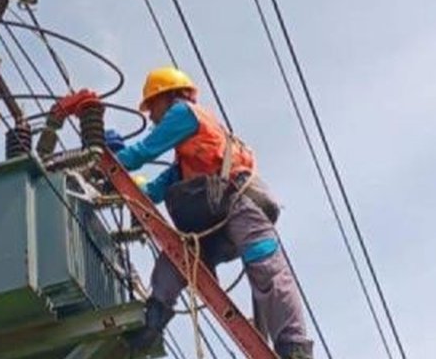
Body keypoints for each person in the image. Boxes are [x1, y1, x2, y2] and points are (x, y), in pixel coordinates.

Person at [110, 66, 314, 359]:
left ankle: (294, 348)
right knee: (175, 259)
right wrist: (124, 182)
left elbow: (143, 152)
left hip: (238, 205)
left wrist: (109, 159)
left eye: (151, 106)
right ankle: (150, 325)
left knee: (267, 268)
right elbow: (154, 191)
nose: (151, 116)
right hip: (214, 219)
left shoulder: (184, 113)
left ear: (167, 96)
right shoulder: (188, 158)